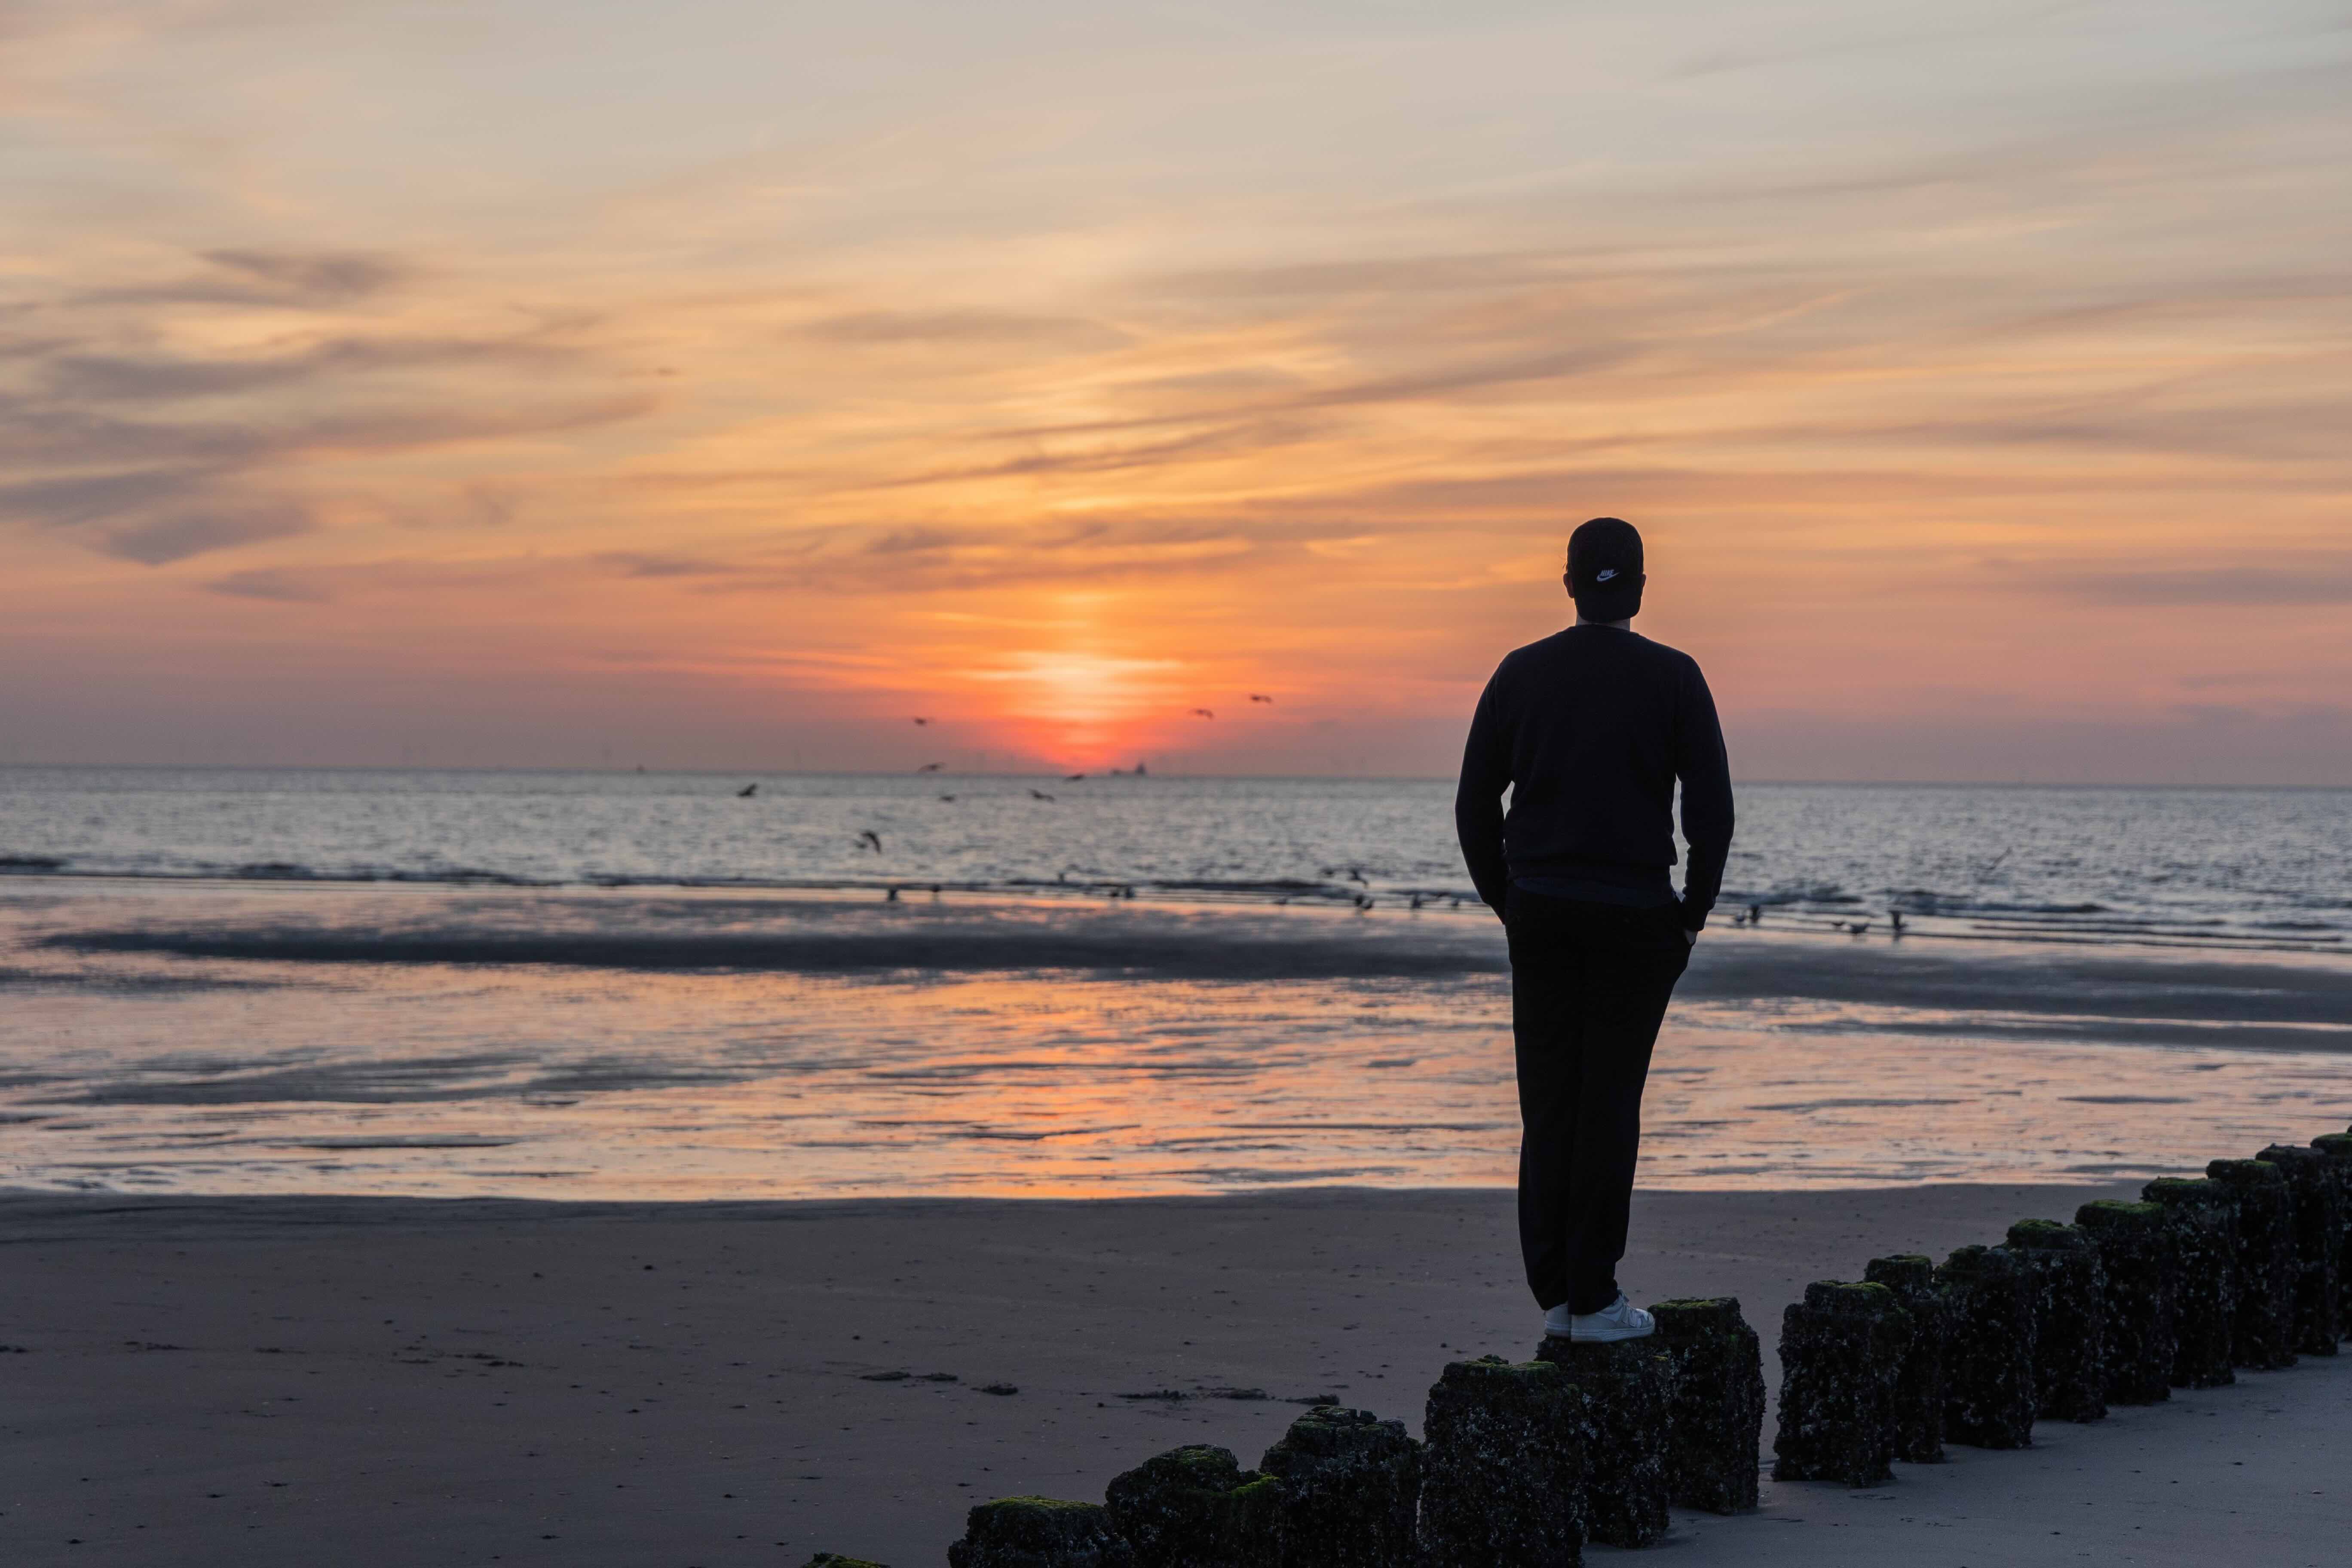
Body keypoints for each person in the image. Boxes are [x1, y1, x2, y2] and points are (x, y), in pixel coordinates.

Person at [1454, 517, 1734, 1343]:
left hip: (1541, 907)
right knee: (1610, 1101)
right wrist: (1692, 916)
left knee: (1549, 1100)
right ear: (1642, 588)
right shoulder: (1675, 677)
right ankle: (1596, 1297)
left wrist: (1507, 898)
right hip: (1637, 915)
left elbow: (1475, 803)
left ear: (1568, 583)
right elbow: (1710, 815)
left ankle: (1557, 1297)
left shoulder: (1521, 672)